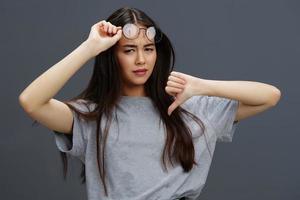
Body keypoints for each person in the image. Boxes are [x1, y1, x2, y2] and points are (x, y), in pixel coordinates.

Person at [18, 6, 281, 200]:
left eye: (148, 48)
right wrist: (90, 47)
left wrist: (202, 86)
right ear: (111, 57)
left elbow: (270, 96)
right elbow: (32, 102)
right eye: (129, 50)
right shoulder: (91, 117)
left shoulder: (188, 105)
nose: (141, 60)